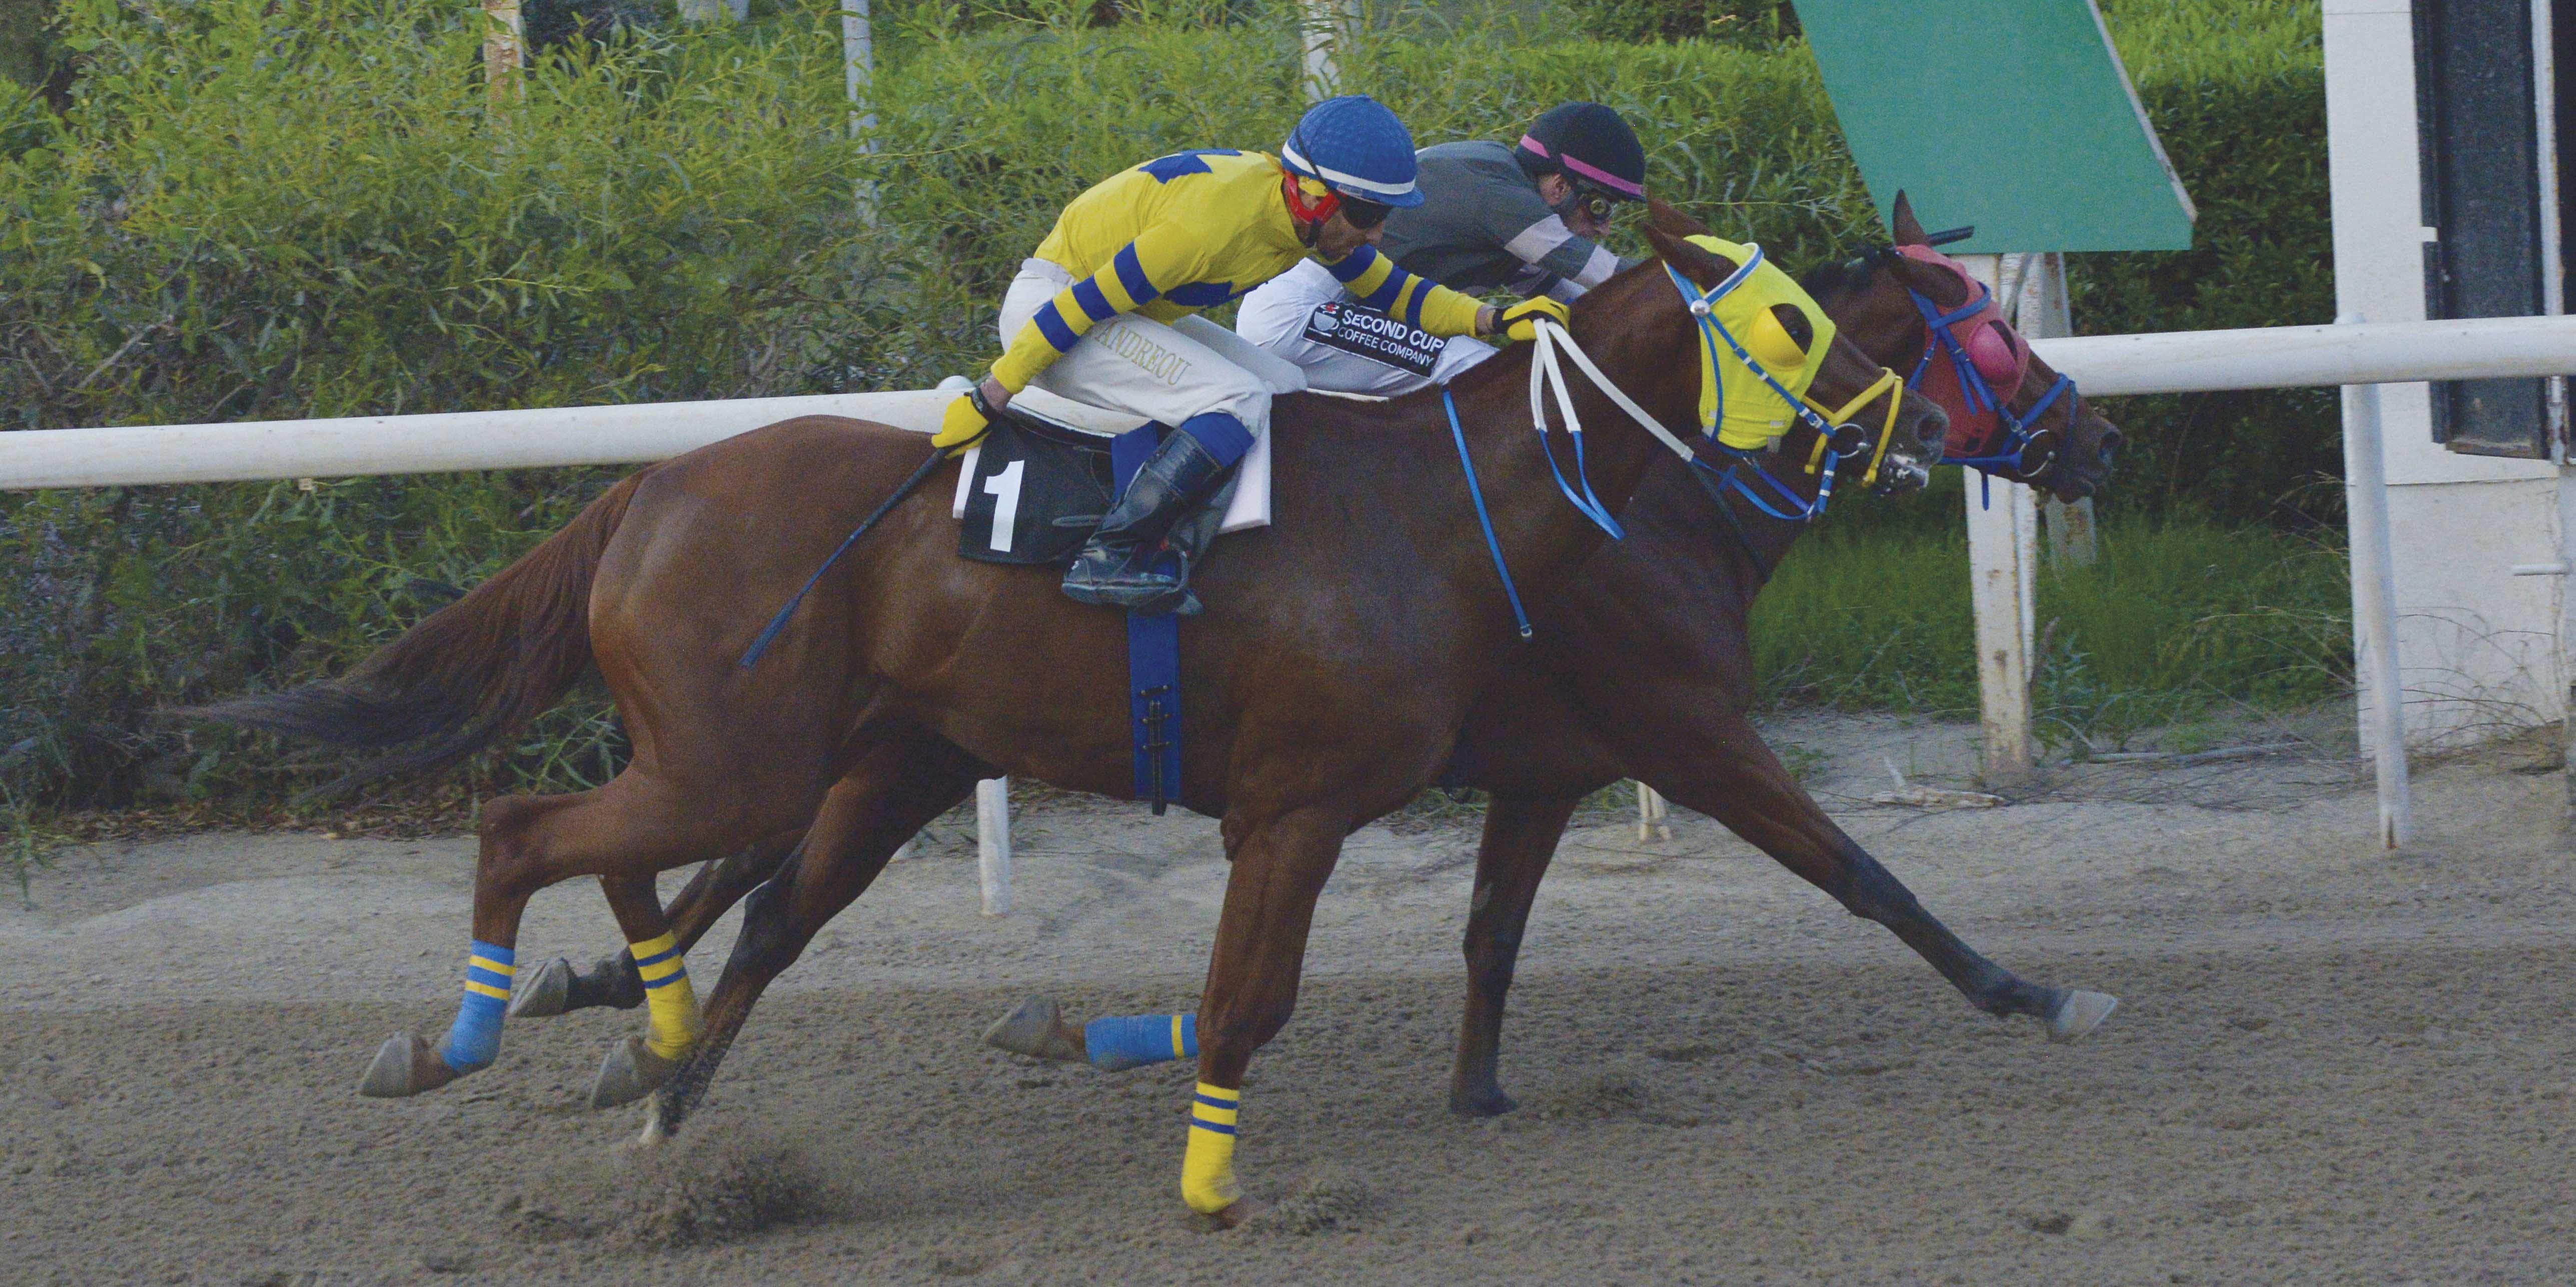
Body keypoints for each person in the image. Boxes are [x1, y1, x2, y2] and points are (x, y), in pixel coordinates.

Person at [931, 94, 1570, 610]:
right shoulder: (1210, 224)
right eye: (1367, 214)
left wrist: (1493, 319)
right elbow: (1080, 308)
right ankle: (1109, 555)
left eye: (1383, 215)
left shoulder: (1301, 216)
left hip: (1116, 313)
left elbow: (1395, 291)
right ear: (1315, 195)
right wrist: (990, 396)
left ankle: (1227, 546)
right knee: (1237, 397)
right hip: (1055, 309)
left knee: (1286, 384)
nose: (1377, 233)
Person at [1235, 101, 1648, 396]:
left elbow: (1580, 307)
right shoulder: (1502, 197)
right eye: (1600, 207)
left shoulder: (1505, 201)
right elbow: (1614, 277)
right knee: (1489, 376)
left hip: (1324, 316)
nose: (1605, 228)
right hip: (1302, 313)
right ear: (1560, 186)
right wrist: (1688, 267)